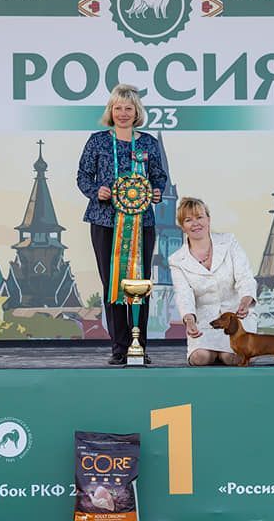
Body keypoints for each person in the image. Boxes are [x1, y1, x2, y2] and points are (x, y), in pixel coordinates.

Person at [77, 84, 168, 365]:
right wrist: (96, 191)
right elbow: (83, 176)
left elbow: (159, 176)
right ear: (111, 111)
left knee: (139, 283)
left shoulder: (148, 143)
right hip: (104, 221)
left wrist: (157, 191)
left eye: (129, 108)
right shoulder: (97, 141)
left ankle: (139, 346)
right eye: (118, 108)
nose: (123, 113)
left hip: (142, 222)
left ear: (137, 112)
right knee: (113, 284)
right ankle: (119, 348)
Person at [168, 197, 258, 366]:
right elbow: (184, 294)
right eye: (188, 220)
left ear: (208, 219)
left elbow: (245, 277)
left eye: (199, 217)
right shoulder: (177, 260)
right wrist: (189, 320)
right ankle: (213, 352)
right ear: (182, 226)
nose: (195, 223)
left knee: (232, 358)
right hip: (204, 323)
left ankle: (224, 353)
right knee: (200, 358)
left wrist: (245, 301)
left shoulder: (229, 242)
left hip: (235, 320)